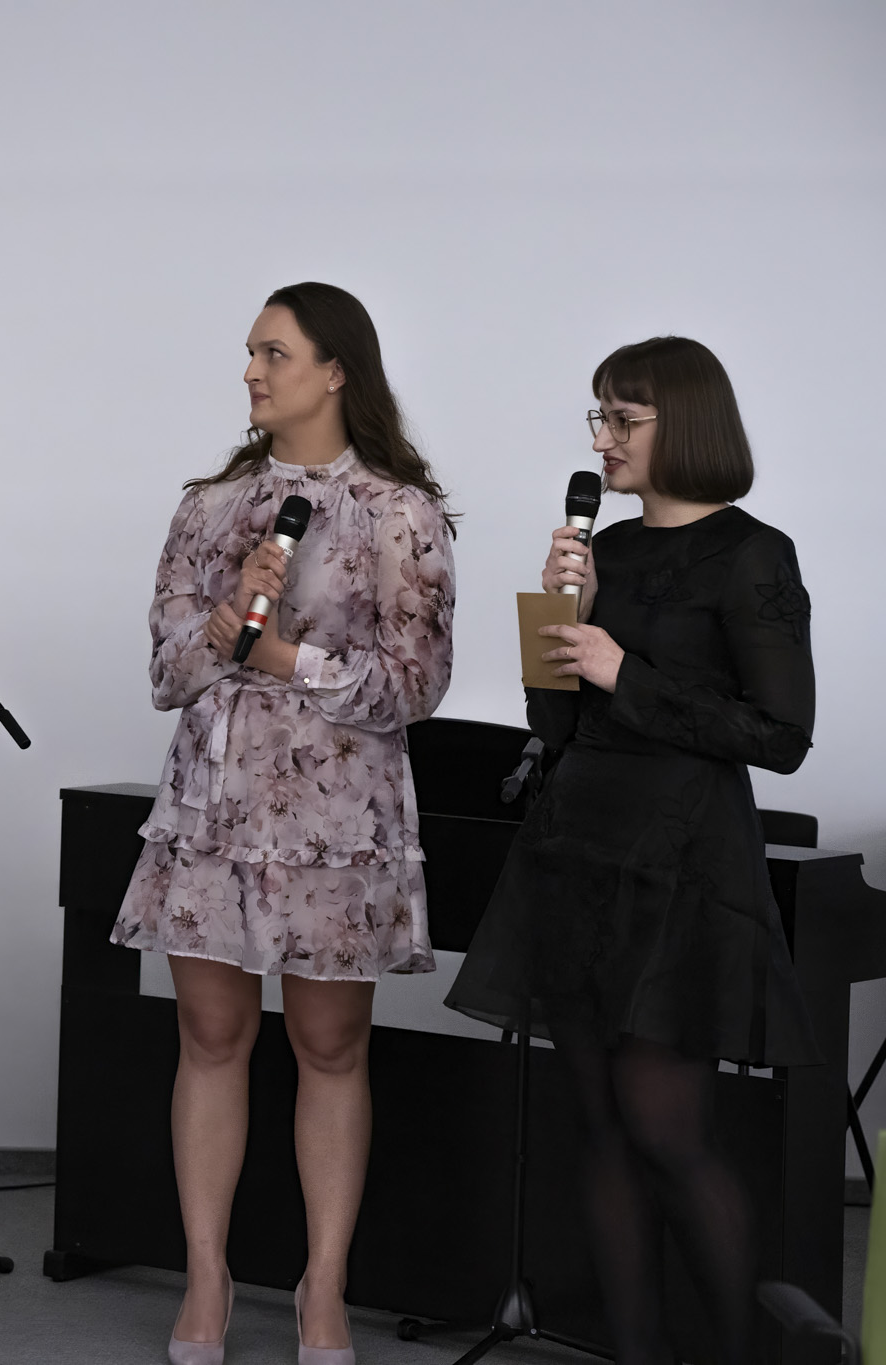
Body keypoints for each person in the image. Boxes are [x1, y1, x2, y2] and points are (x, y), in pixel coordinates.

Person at [445, 336, 818, 1365]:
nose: (601, 439)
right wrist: (558, 622)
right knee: (600, 1129)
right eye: (597, 416)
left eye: (622, 418)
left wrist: (624, 670)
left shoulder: (752, 554)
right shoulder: (604, 549)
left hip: (681, 874)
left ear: (681, 424)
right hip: (574, 859)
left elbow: (781, 735)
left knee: (665, 1130)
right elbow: (556, 724)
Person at [112, 282, 456, 1365]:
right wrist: (225, 622)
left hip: (334, 817)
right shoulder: (211, 507)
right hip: (213, 807)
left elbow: (416, 685)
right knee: (210, 1035)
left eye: (274, 353)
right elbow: (165, 675)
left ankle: (324, 1287)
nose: (252, 372)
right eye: (251, 353)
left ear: (335, 370)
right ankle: (205, 1278)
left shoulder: (399, 513)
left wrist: (285, 659)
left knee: (329, 1044)